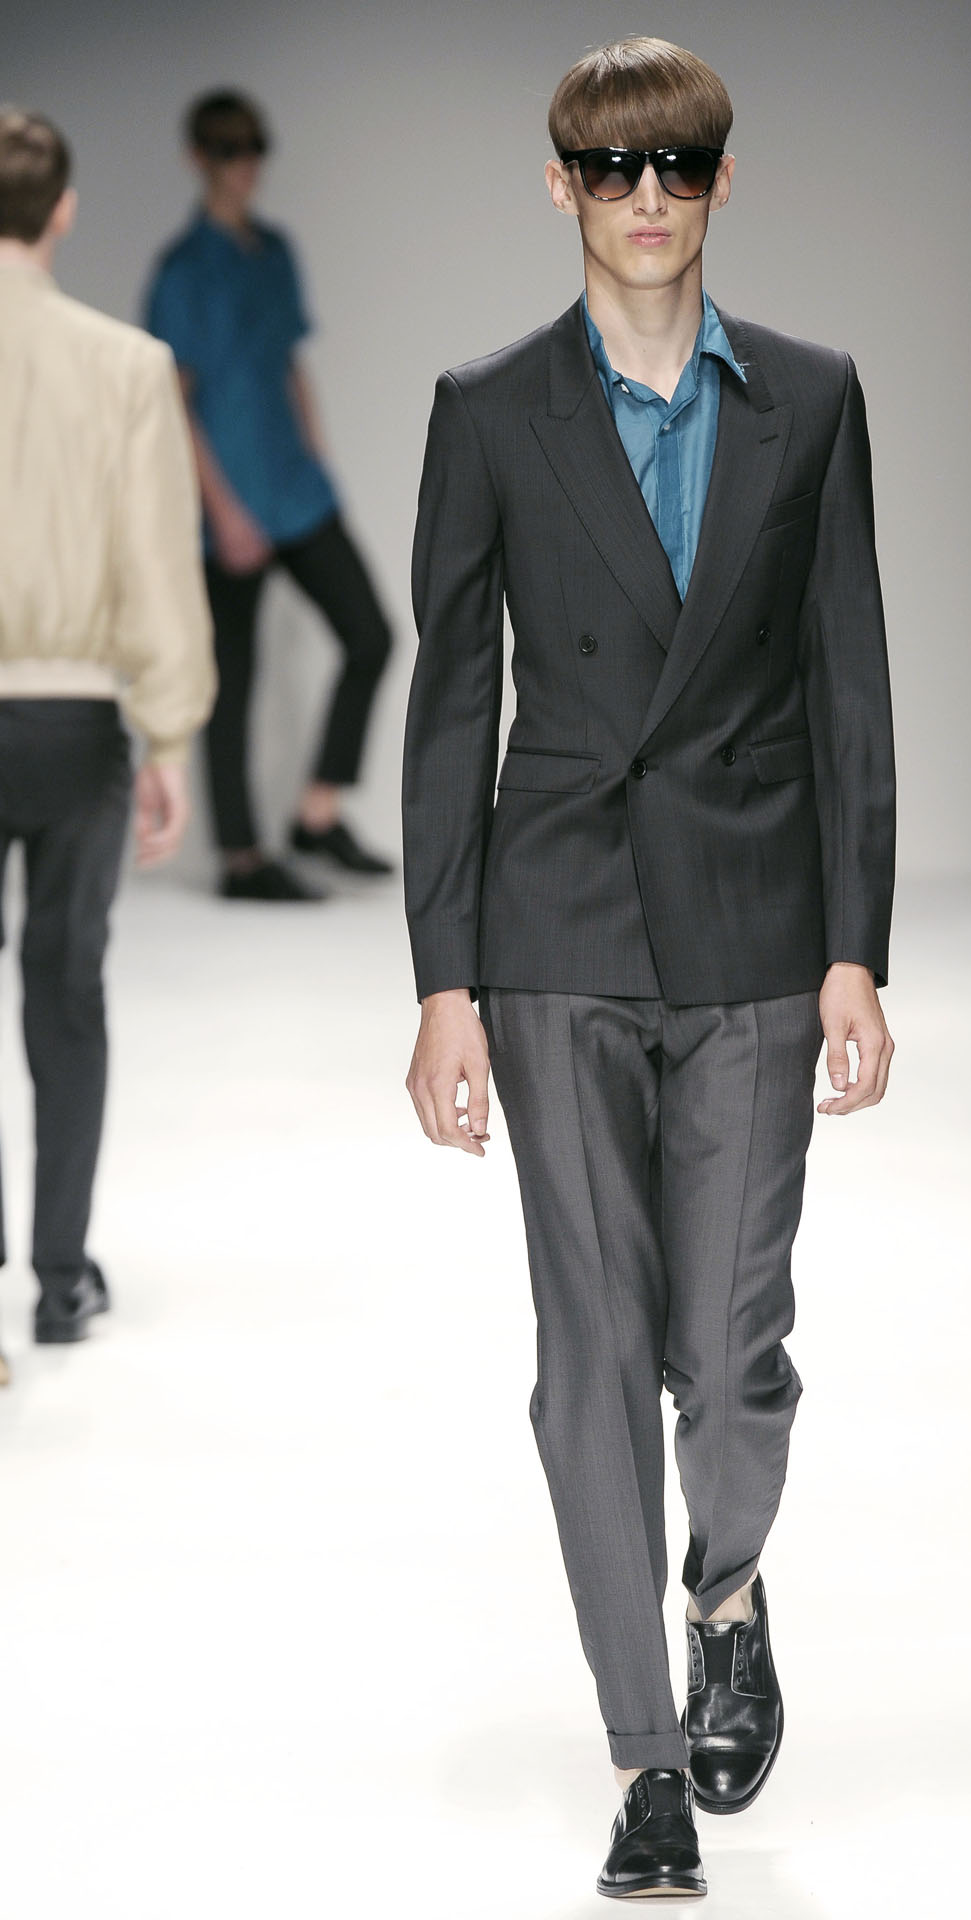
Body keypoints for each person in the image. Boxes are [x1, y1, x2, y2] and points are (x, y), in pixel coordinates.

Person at [403, 37, 895, 1902]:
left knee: (731, 1349)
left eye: (677, 164)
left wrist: (857, 945)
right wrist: (443, 977)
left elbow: (850, 679)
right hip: (559, 925)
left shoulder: (814, 400)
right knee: (594, 1352)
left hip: (758, 915)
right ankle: (641, 1757)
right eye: (611, 168)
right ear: (561, 186)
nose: (646, 199)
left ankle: (729, 1590)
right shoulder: (487, 408)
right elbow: (453, 699)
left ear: (721, 180)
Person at [0, 107, 215, 1367]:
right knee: (67, 993)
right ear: (65, 210)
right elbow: (155, 563)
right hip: (74, 717)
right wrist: (169, 738)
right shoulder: (126, 366)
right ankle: (58, 1276)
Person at [144, 89, 393, 902]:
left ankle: (316, 814)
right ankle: (241, 859)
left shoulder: (275, 251)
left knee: (371, 635)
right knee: (233, 678)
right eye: (228, 149)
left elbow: (289, 363)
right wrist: (222, 512)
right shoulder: (183, 272)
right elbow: (173, 400)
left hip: (293, 489)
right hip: (229, 506)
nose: (244, 164)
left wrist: (317, 460)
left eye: (253, 147)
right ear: (198, 158)